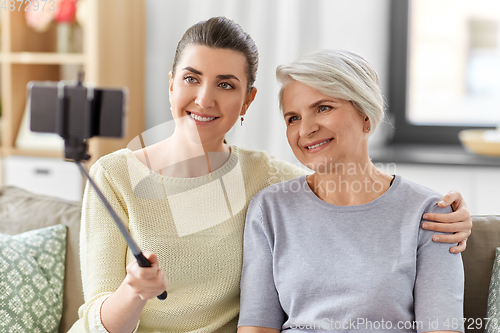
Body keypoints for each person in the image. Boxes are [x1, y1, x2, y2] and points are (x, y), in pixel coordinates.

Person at [70, 17, 470, 333]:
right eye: (191, 78)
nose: (204, 98)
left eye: (225, 84)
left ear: (247, 99)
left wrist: (454, 216)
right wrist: (134, 291)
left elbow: (344, 189)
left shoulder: (266, 178)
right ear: (171, 84)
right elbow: (97, 322)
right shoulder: (115, 177)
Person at [237, 49, 464, 333]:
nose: (305, 129)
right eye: (293, 118)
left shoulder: (429, 213)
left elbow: (443, 328)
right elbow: (256, 327)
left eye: (323, 107)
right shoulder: (269, 209)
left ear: (366, 117)